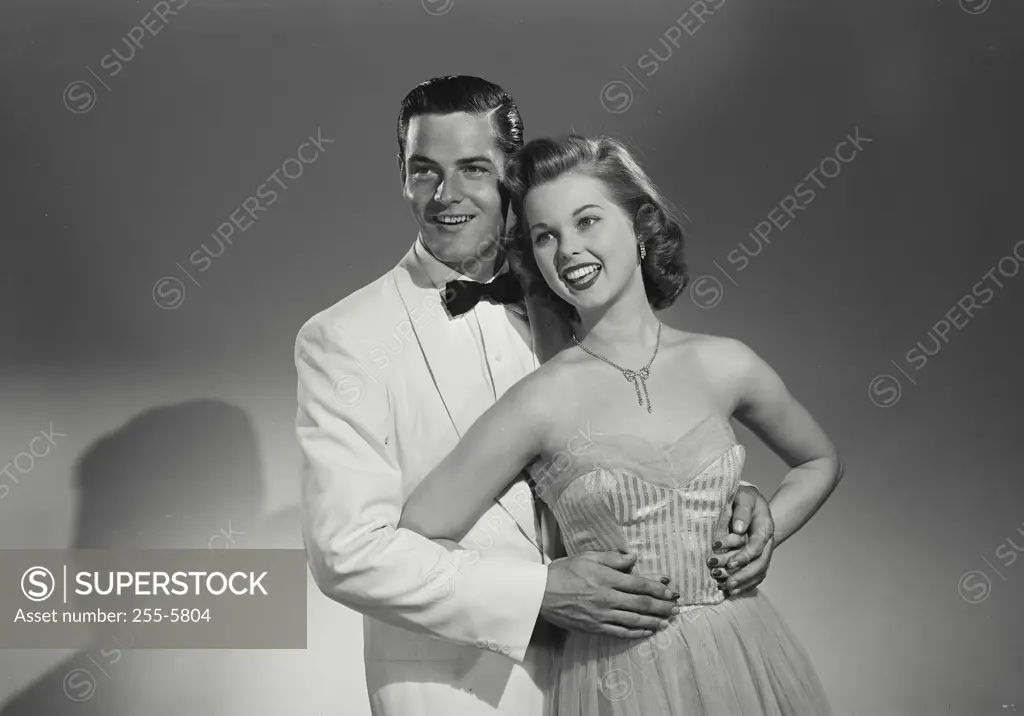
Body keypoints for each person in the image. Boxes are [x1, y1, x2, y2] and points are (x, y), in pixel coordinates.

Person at [295, 76, 776, 716]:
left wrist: (714, 493)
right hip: (460, 688)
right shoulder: (344, 337)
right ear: (402, 179)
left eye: (473, 168)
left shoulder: (575, 292)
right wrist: (537, 593)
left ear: (510, 179)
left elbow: (634, 439)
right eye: (423, 171)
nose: (446, 195)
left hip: (624, 672)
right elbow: (346, 552)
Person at [398, 133, 843, 715]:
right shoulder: (540, 399)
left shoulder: (725, 363)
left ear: (641, 226)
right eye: (545, 236)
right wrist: (542, 589)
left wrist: (766, 530)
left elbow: (819, 460)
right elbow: (418, 532)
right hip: (616, 682)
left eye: (587, 221)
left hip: (744, 658)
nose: (568, 250)